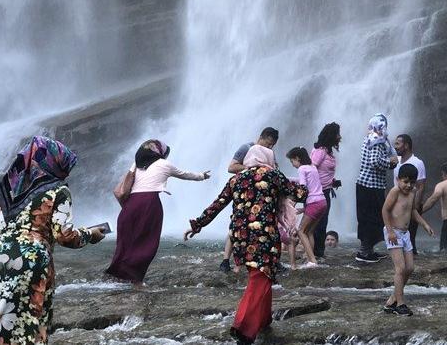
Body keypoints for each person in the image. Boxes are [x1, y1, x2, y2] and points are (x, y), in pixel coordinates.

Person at [0, 136, 105, 345]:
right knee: (25, 323)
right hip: (33, 259)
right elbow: (64, 235)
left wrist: (5, 252)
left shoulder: (12, 191)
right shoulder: (58, 190)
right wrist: (91, 234)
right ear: (54, 162)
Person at [184, 144, 307, 345]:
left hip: (240, 237)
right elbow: (300, 194)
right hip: (263, 236)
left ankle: (264, 321)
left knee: (261, 275)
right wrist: (311, 183)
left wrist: (197, 225)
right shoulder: (272, 175)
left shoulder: (236, 179)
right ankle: (243, 328)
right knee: (261, 276)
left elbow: (218, 204)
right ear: (267, 158)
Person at [106, 139, 210, 288]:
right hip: (149, 204)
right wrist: (202, 176)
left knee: (125, 242)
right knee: (147, 243)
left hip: (129, 206)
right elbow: (185, 174)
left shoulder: (137, 164)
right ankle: (136, 281)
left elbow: (124, 188)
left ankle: (117, 277)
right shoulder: (163, 164)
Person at [220, 127, 279, 272]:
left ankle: (267, 261)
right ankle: (226, 260)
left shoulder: (269, 153)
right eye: (268, 143)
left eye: (272, 146)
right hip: (244, 192)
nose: (269, 147)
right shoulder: (246, 148)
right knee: (237, 224)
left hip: (260, 194)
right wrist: (253, 167)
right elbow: (231, 167)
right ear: (261, 137)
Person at [381, 163, 434, 316]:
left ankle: (392, 300)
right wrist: (390, 231)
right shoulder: (395, 192)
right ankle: (401, 303)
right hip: (393, 233)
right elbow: (385, 210)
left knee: (410, 268)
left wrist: (425, 224)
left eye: (412, 182)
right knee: (400, 268)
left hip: (405, 234)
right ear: (398, 179)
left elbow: (412, 211)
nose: (408, 185)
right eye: (405, 181)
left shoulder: (412, 193)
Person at [355, 113, 399, 263]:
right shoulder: (377, 140)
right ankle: (364, 252)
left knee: (368, 218)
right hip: (371, 186)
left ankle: (367, 250)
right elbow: (374, 162)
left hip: (366, 185)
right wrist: (390, 163)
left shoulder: (369, 137)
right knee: (372, 218)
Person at [287, 147, 325, 268]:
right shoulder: (312, 167)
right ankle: (309, 258)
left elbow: (302, 187)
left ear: (297, 158)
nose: (292, 165)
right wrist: (288, 178)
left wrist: (293, 201)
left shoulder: (302, 168)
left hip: (313, 203)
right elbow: (303, 181)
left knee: (300, 231)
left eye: (292, 161)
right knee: (309, 232)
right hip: (322, 202)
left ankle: (312, 261)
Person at [310, 122, 340, 259]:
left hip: (326, 191)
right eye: (337, 134)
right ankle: (314, 254)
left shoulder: (328, 152)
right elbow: (311, 170)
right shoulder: (320, 151)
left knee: (322, 224)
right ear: (331, 136)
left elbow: (322, 172)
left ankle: (319, 253)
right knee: (317, 224)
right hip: (317, 193)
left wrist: (332, 182)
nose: (340, 137)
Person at [392, 134, 426, 254]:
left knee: (410, 238)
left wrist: (415, 207)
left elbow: (421, 186)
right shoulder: (396, 162)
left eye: (397, 144)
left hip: (412, 205)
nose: (394, 146)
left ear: (406, 145)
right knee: (397, 236)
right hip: (397, 205)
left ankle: (412, 265)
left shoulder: (417, 162)